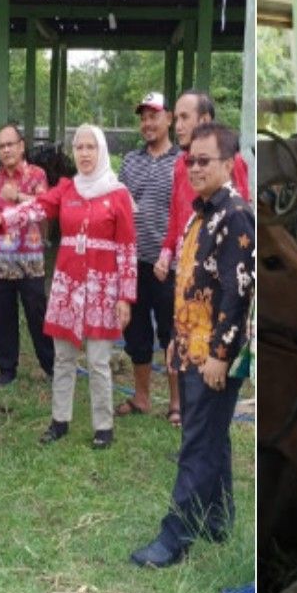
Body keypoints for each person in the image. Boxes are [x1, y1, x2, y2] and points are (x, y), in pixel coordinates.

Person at [130, 122, 255, 568]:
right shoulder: (201, 212)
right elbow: (189, 284)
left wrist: (221, 355)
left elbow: (236, 294)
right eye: (190, 160)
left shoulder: (235, 216)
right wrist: (176, 343)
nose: (195, 167)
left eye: (205, 160)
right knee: (212, 437)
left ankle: (175, 537)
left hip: (213, 356)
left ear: (228, 163)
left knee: (197, 443)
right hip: (190, 347)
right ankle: (217, 520)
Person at [0, 124, 137, 449]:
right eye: (79, 147)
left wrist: (126, 296)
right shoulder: (67, 189)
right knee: (64, 358)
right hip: (68, 284)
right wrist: (4, 218)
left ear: (101, 150)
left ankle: (103, 426)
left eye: (91, 147)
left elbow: (127, 249)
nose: (85, 153)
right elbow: (37, 207)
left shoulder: (117, 194)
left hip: (102, 287)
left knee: (97, 360)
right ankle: (59, 420)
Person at [0, 123, 54, 387]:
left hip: (30, 263)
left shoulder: (37, 175)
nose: (6, 150)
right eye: (2, 146)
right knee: (2, 316)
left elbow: (44, 207)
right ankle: (7, 368)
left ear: (21, 146)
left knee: (37, 314)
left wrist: (17, 195)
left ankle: (51, 366)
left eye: (11, 144)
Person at [116, 91, 181, 423]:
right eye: (143, 117)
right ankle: (141, 397)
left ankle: (176, 403)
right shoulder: (130, 161)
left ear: (169, 118)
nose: (147, 123)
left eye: (154, 116)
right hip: (133, 262)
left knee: (171, 331)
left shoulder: (183, 162)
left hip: (169, 264)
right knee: (136, 331)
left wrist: (172, 255)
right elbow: (119, 205)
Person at [152, 90, 251, 283]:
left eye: (185, 117)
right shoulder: (181, 164)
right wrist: (166, 254)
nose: (178, 126)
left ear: (204, 120)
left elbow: (242, 220)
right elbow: (175, 216)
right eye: (177, 118)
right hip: (184, 272)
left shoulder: (232, 162)